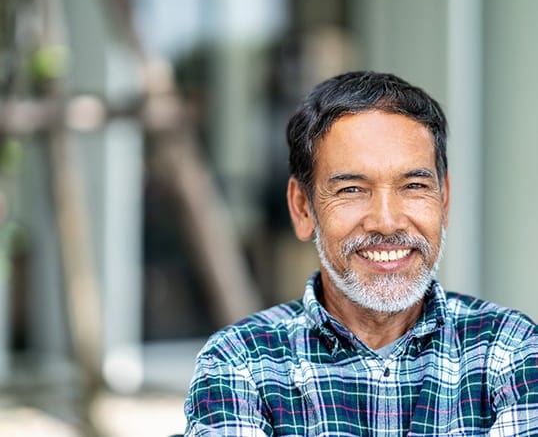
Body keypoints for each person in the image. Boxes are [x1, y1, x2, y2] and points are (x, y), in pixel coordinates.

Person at [183, 71, 538, 436]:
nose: (386, 222)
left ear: (443, 200)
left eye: (414, 185)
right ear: (303, 208)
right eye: (352, 189)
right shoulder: (241, 362)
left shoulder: (510, 349)